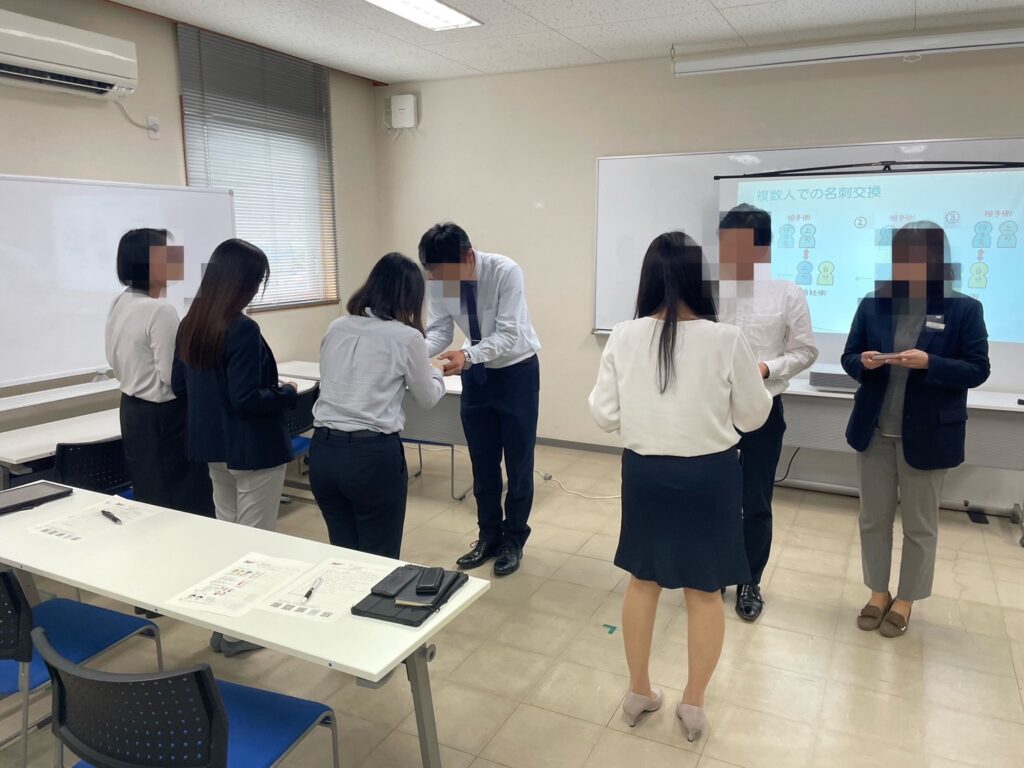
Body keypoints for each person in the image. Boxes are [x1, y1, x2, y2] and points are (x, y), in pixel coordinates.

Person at [589, 231, 771, 741]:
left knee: (642, 581)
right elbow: (754, 416)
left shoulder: (623, 335)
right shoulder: (726, 338)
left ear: (648, 279)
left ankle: (638, 691)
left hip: (644, 475)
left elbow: (604, 415)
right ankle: (693, 704)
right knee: (705, 592)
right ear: (699, 279)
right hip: (710, 476)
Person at [842, 221, 989, 637]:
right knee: (873, 519)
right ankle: (878, 592)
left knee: (920, 525)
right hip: (875, 431)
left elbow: (978, 369)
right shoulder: (875, 303)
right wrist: (863, 362)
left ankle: (906, 598)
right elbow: (849, 357)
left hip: (927, 435)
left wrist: (931, 363)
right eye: (901, 257)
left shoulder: (963, 308)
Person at [172, 238, 296, 656]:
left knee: (228, 539)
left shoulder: (191, 323)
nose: (256, 290)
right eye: (257, 282)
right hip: (253, 449)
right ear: (240, 283)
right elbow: (246, 399)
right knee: (256, 543)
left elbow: (179, 385)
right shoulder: (241, 328)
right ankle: (241, 633)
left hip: (212, 447)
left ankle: (223, 624)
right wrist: (285, 394)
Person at [419, 223, 541, 577]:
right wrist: (411, 352)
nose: (442, 283)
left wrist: (467, 356)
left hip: (516, 372)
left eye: (447, 275)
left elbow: (508, 334)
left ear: (469, 257)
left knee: (518, 463)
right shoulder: (441, 279)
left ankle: (513, 540)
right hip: (476, 374)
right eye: (435, 276)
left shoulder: (505, 272)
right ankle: (488, 536)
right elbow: (440, 330)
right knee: (482, 462)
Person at [717, 204, 818, 621]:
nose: (727, 252)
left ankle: (749, 579)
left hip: (763, 406)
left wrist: (766, 368)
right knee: (713, 493)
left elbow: (806, 350)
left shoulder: (787, 292)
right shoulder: (709, 289)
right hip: (713, 409)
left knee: (755, 500)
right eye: (724, 243)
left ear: (762, 247)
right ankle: (714, 571)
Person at [309, 253, 445, 558]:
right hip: (371, 457)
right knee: (380, 558)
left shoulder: (336, 326)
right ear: (410, 296)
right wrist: (435, 371)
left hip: (323, 453)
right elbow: (427, 398)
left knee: (344, 554)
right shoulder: (407, 337)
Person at [105, 228, 214, 516]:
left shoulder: (120, 301)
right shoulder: (160, 311)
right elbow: (172, 377)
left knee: (151, 497)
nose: (177, 258)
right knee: (184, 503)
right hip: (166, 419)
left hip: (133, 412)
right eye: (168, 254)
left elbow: (113, 357)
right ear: (148, 263)